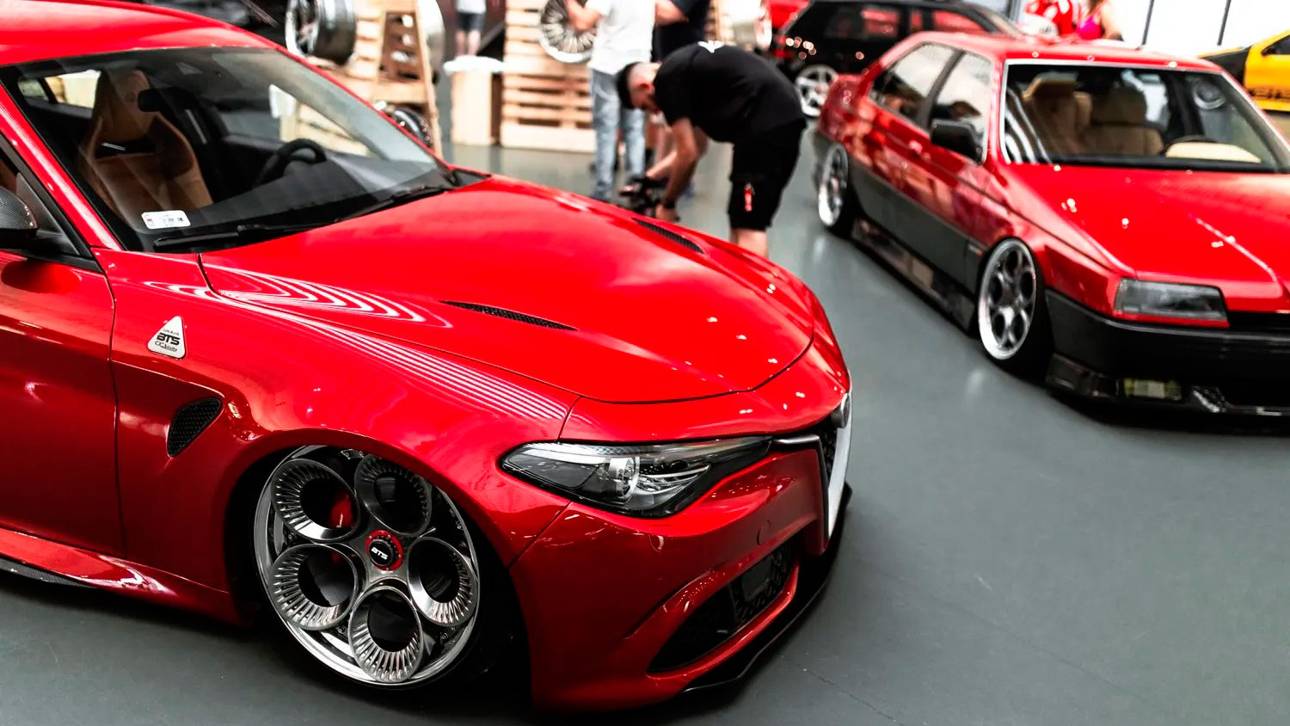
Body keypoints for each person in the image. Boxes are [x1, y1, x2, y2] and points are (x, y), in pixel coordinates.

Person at [618, 43, 804, 257]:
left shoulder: (666, 81)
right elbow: (697, 146)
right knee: (740, 220)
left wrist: (668, 203)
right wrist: (648, 178)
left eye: (644, 106)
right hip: (777, 120)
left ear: (643, 86)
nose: (653, 112)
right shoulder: (684, 69)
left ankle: (751, 280)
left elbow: (688, 154)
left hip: (765, 128)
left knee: (749, 225)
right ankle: (737, 278)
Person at [565, 0, 654, 201]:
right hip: (638, 66)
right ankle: (636, 190)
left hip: (609, 64)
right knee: (634, 130)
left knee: (606, 130)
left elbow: (582, 22)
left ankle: (602, 192)